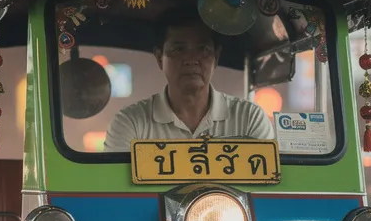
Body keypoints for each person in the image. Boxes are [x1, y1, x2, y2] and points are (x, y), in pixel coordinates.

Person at [104, 8, 275, 151]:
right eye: (179, 49)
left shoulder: (249, 119)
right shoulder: (130, 123)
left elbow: (265, 188)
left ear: (216, 57)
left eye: (202, 49)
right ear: (159, 58)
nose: (191, 59)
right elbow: (115, 188)